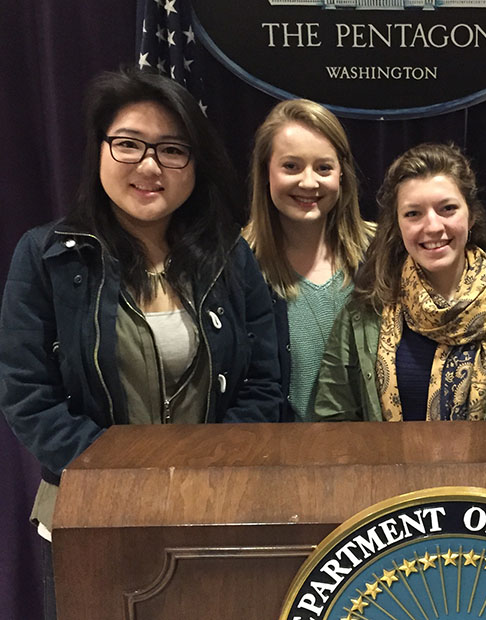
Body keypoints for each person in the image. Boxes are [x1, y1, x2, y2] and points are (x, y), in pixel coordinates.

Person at [0, 68, 281, 619]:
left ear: (195, 165)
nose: (149, 166)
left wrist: (210, 472)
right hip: (88, 517)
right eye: (129, 144)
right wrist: (121, 480)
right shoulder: (47, 257)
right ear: (99, 150)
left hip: (212, 513)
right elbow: (27, 395)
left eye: (172, 150)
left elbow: (265, 384)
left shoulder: (229, 256)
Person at [315, 143, 486, 421]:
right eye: (413, 213)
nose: (433, 226)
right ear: (398, 224)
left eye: (447, 209)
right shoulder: (362, 316)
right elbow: (334, 422)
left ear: (471, 215)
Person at [244, 99, 374, 422]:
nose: (309, 182)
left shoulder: (380, 253)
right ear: (266, 172)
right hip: (277, 460)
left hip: (369, 458)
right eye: (291, 166)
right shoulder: (239, 267)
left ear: (341, 175)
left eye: (323, 167)